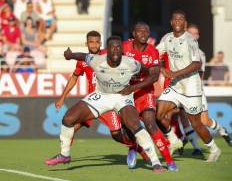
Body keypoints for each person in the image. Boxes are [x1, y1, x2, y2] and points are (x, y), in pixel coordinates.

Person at [45, 36, 166, 173]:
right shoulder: (97, 60)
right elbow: (82, 56)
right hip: (101, 96)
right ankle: (65, 155)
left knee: (135, 125)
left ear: (122, 50)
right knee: (68, 118)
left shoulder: (131, 63)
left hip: (122, 97)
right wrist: (70, 55)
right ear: (107, 50)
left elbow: (150, 72)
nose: (115, 50)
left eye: (118, 48)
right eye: (112, 48)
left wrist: (134, 87)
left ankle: (155, 162)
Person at [156, 10, 221, 162]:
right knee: (158, 113)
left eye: (181, 19)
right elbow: (155, 54)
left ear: (184, 23)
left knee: (197, 124)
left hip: (191, 88)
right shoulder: (167, 38)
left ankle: (214, 149)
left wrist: (175, 73)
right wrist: (161, 68)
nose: (178, 21)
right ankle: (174, 141)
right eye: (175, 19)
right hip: (175, 86)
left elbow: (197, 63)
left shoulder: (190, 40)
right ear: (171, 22)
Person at [122, 22, 177, 171]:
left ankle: (169, 160)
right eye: (140, 31)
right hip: (126, 95)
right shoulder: (124, 47)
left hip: (145, 93)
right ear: (134, 34)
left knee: (151, 124)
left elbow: (153, 77)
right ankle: (133, 147)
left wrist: (134, 87)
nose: (144, 34)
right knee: (129, 128)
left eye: (147, 31)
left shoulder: (152, 51)